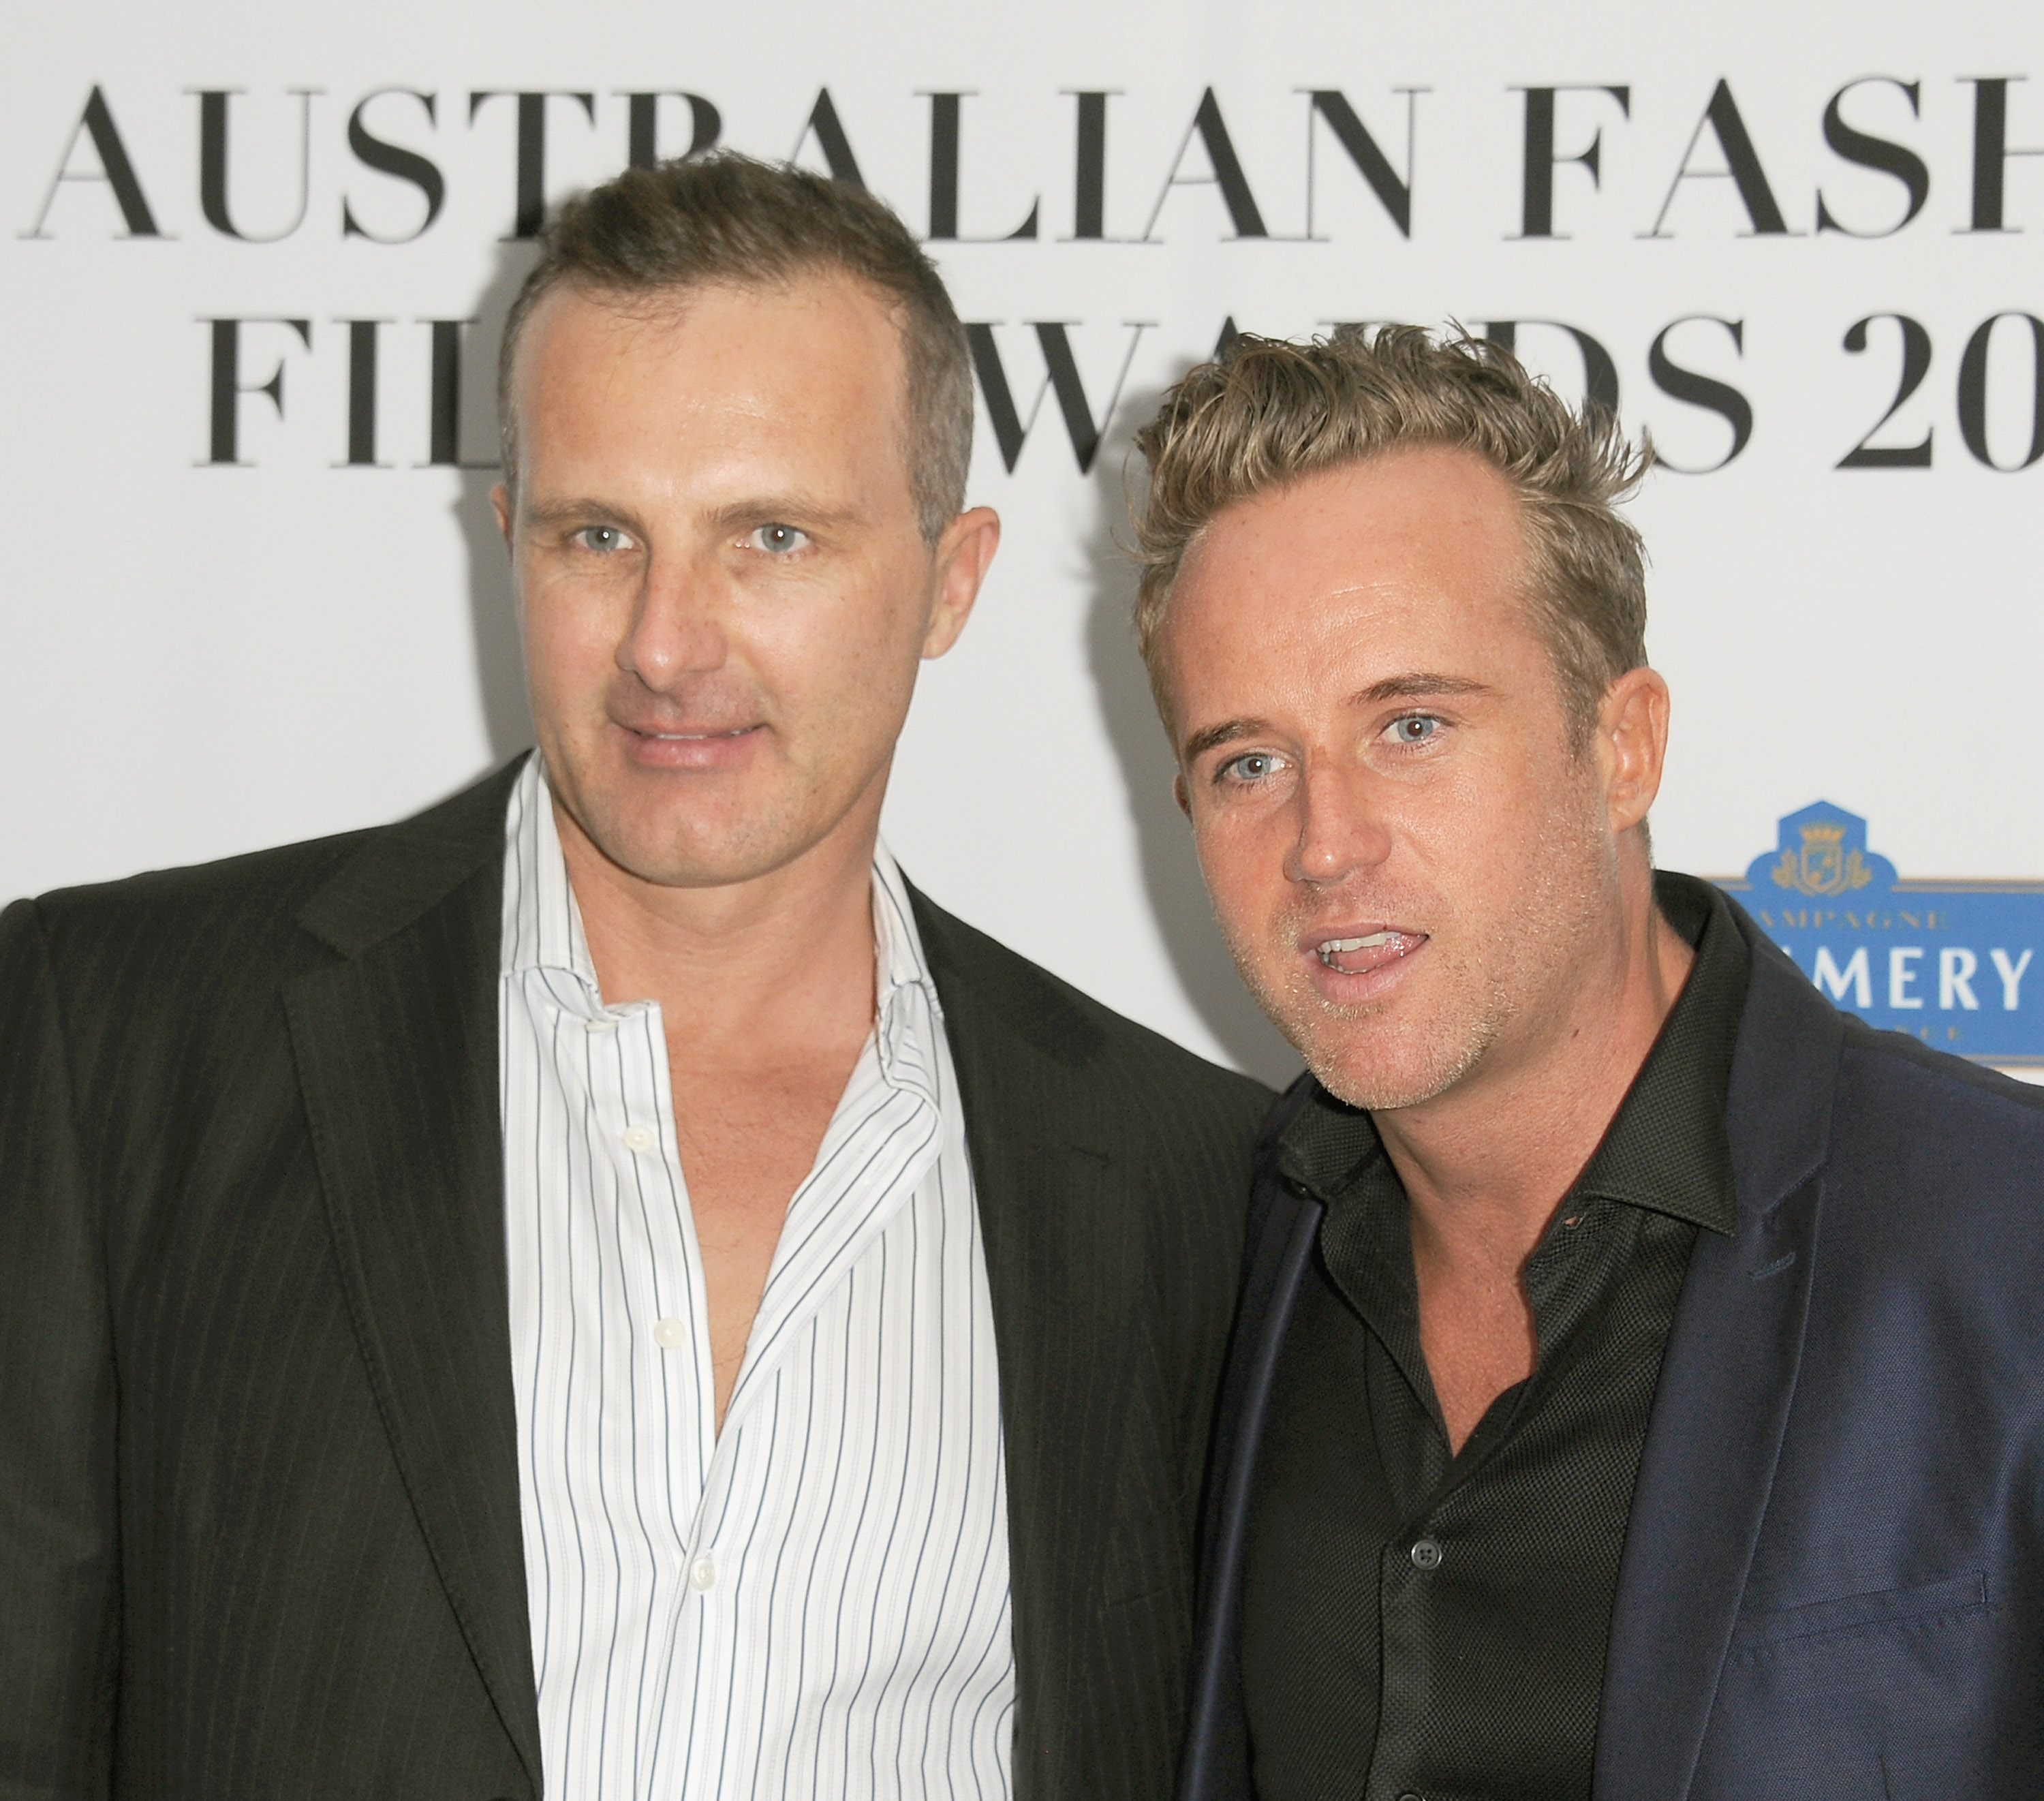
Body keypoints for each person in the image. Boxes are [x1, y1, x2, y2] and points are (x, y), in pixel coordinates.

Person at [0, 153, 1268, 1801]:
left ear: (952, 577)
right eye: (602, 533)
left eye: (773, 537)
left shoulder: (1194, 1187)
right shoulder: (113, 1039)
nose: (669, 642)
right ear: (506, 532)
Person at [1130, 325, 2044, 1800]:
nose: (1323, 841)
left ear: (1622, 746)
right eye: (1249, 760)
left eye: (1412, 724)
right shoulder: (1211, 1258)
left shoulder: (2003, 1245)